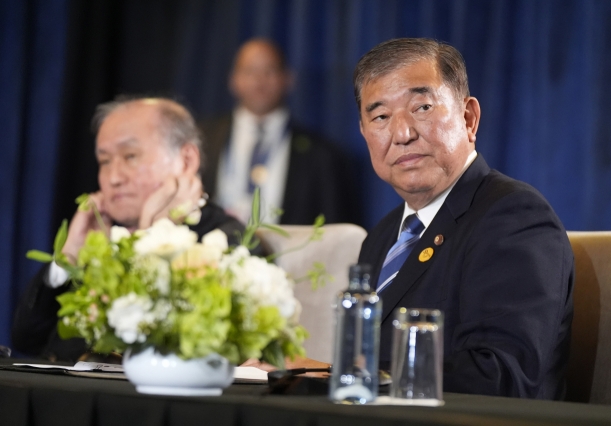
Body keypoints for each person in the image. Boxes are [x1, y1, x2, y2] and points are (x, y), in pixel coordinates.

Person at [355, 39, 574, 399]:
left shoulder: (514, 217)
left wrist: (346, 374)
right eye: (380, 116)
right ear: (365, 134)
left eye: (422, 107)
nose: (403, 134)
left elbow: (500, 377)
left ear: (468, 118)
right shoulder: (380, 237)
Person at [12, 97, 244, 362]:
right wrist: (68, 258)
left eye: (130, 156)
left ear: (186, 160)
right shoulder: (104, 235)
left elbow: (167, 351)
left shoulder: (226, 240)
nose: (113, 178)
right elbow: (27, 341)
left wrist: (153, 239)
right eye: (105, 161)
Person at [199, 38, 357, 225]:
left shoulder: (322, 155)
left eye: (269, 71)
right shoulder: (201, 138)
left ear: (288, 79)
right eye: (250, 71)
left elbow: (335, 229)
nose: (259, 81)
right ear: (233, 80)